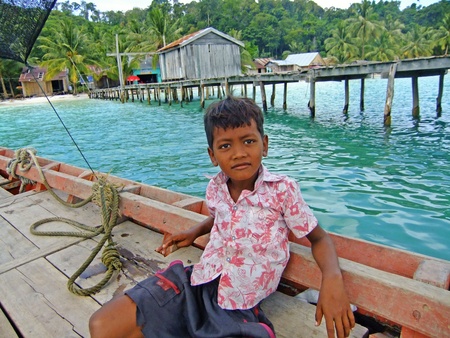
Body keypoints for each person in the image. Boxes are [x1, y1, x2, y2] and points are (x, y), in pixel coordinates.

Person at [89, 96, 355, 338]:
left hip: (239, 305)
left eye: (248, 141)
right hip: (197, 284)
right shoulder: (216, 187)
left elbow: (320, 239)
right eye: (225, 145)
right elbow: (222, 216)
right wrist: (195, 231)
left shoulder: (282, 190)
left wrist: (332, 280)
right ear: (212, 155)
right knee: (102, 326)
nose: (239, 153)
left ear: (265, 144)